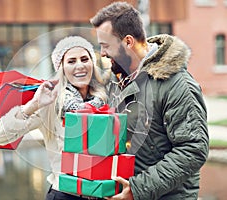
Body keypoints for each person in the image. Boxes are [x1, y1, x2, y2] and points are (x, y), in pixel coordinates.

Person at [90, 2, 209, 200]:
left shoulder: (178, 84)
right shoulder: (118, 77)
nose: (102, 53)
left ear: (128, 42)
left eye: (105, 46)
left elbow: (193, 149)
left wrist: (137, 190)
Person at [0, 36, 110, 200]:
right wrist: (33, 104)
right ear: (61, 68)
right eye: (71, 61)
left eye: (84, 59)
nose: (80, 65)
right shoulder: (52, 102)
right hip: (66, 195)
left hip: (104, 193)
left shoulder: (106, 99)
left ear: (92, 63)